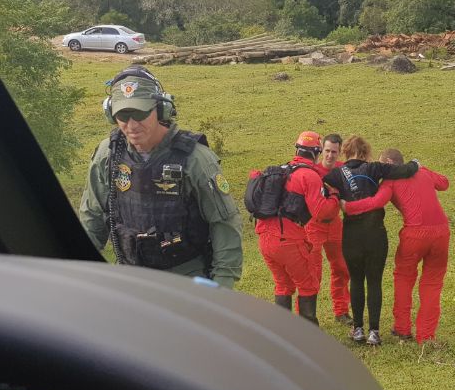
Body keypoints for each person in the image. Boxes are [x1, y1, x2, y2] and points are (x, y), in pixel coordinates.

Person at [79, 66, 242, 288]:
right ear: (111, 114)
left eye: (140, 113)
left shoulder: (195, 159)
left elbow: (224, 224)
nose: (132, 125)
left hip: (187, 278)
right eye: (123, 115)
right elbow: (93, 217)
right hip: (130, 278)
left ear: (161, 109)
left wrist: (222, 286)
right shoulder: (107, 154)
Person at [342, 148, 449, 346]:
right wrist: (422, 167)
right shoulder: (422, 172)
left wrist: (348, 207)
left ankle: (402, 328)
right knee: (432, 283)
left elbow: (376, 202)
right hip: (442, 232)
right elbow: (444, 183)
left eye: (383, 164)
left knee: (404, 278)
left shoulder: (390, 181)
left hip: (415, 234)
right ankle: (426, 336)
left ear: (389, 163)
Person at [323, 136, 420, 346]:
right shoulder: (374, 168)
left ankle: (357, 329)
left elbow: (322, 188)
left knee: (356, 280)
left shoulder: (336, 174)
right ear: (366, 152)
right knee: (374, 282)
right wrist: (415, 163)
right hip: (375, 233)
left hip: (351, 235)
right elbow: (403, 171)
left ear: (345, 153)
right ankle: (374, 332)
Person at [250, 131, 338, 324]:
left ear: (297, 149)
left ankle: (283, 335)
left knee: (283, 285)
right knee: (308, 285)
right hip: (287, 240)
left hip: (264, 239)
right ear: (317, 153)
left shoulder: (281, 170)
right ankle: (309, 337)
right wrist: (333, 197)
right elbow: (322, 213)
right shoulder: (309, 176)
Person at [307, 132, 351, 325]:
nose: (330, 155)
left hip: (335, 225)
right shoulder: (311, 171)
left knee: (342, 268)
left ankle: (341, 311)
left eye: (334, 152)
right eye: (327, 151)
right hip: (313, 226)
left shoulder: (343, 169)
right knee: (312, 273)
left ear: (339, 152)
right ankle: (306, 318)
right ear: (321, 151)